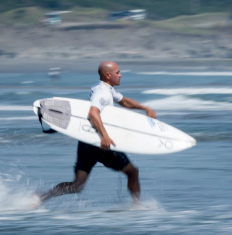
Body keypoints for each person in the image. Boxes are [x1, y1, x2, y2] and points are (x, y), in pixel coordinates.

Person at [37, 61, 156, 205]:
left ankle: (41, 197)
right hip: (100, 144)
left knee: (77, 185)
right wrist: (105, 136)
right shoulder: (103, 93)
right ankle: (137, 207)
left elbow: (124, 101)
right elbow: (93, 113)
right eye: (117, 72)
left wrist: (145, 108)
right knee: (133, 172)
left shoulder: (104, 88)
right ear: (108, 75)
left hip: (86, 141)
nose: (120, 75)